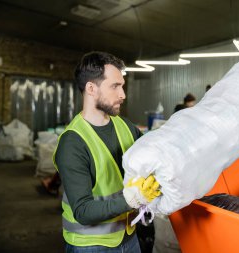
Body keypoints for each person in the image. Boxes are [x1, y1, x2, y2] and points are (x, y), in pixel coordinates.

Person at [53, 51, 161, 253]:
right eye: (115, 86)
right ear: (91, 88)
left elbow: (153, 153)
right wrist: (132, 199)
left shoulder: (124, 126)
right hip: (90, 245)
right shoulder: (72, 142)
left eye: (122, 85)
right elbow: (82, 211)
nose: (123, 94)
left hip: (128, 237)